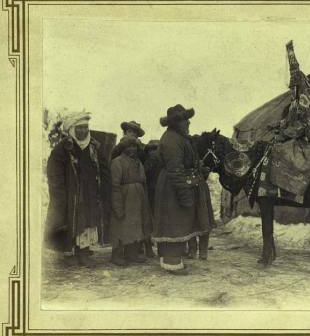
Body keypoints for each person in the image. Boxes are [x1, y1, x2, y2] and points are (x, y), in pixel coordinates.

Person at [153, 104, 215, 274]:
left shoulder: (179, 138)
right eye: (184, 120)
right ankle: (172, 262)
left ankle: (172, 260)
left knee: (177, 221)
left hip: (176, 185)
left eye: (188, 119)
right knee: (174, 222)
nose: (188, 123)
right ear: (175, 123)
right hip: (173, 187)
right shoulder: (172, 140)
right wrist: (184, 194)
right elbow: (175, 170)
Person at [44, 111, 110, 267]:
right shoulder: (63, 148)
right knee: (70, 220)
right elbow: (54, 173)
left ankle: (83, 251)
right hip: (71, 193)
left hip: (89, 192)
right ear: (72, 129)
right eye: (79, 128)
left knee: (88, 220)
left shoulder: (94, 147)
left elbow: (102, 168)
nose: (83, 131)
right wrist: (60, 193)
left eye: (86, 128)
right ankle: (69, 253)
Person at [110, 120, 155, 258]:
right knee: (121, 223)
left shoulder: (139, 162)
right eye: (129, 147)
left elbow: (144, 180)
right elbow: (115, 186)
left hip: (138, 197)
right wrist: (117, 205)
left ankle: (132, 253)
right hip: (124, 197)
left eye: (134, 147)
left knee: (135, 224)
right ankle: (116, 254)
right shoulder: (117, 162)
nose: (132, 150)